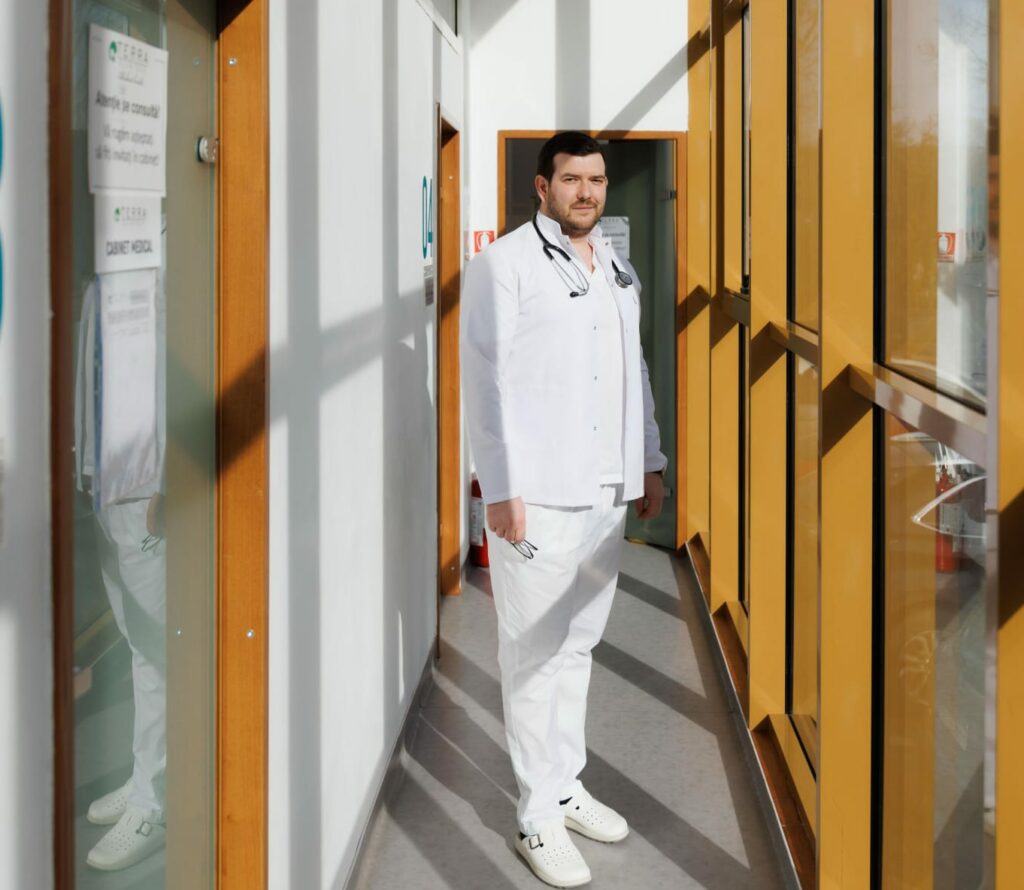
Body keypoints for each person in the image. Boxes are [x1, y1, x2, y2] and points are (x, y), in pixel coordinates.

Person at [460, 131, 667, 888]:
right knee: (533, 654)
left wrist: (649, 458)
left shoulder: (613, 263)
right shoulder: (504, 264)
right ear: (542, 186)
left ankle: (564, 785)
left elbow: (632, 367)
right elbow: (482, 381)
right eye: (572, 179)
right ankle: (536, 817)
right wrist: (500, 488)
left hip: (605, 490)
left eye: (597, 180)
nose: (587, 192)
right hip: (539, 496)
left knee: (578, 646)